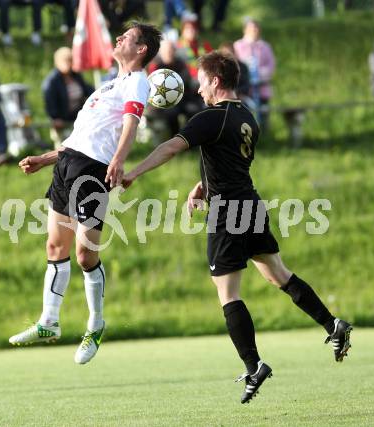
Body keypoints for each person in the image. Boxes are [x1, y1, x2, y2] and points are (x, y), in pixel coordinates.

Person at [122, 51, 353, 404]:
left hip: (228, 211)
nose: (198, 89)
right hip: (250, 202)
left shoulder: (210, 117)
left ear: (215, 80)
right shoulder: (248, 116)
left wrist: (134, 173)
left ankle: (253, 364)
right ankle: (332, 325)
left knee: (228, 293)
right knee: (279, 274)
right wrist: (203, 184)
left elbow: (170, 147)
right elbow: (228, 158)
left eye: (201, 81)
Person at [8, 22, 162, 365]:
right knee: (54, 246)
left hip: (94, 170)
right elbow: (78, 139)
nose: (119, 38)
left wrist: (119, 161)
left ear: (140, 50)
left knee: (83, 254)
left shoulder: (138, 80)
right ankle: (49, 321)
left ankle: (95, 324)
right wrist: (44, 159)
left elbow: (132, 121)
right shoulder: (107, 85)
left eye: (127, 37)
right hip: (67, 165)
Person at [147, 39, 203, 138]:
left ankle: (190, 138)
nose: (169, 53)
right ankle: (176, 138)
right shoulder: (156, 67)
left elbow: (187, 81)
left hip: (183, 97)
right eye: (166, 51)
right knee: (172, 113)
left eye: (171, 50)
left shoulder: (181, 63)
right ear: (161, 52)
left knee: (193, 110)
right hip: (165, 102)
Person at [42, 47, 93, 148]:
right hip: (61, 119)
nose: (69, 64)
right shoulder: (52, 81)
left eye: (71, 60)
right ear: (58, 62)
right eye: (66, 61)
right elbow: (49, 101)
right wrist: (55, 117)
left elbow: (88, 90)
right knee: (62, 148)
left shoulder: (76, 76)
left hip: (77, 117)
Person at [233, 18, 275, 128]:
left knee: (263, 112)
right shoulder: (238, 46)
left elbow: (271, 65)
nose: (254, 31)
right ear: (245, 30)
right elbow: (235, 64)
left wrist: (259, 74)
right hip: (244, 89)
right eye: (251, 28)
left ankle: (264, 137)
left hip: (261, 87)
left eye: (256, 28)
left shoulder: (265, 46)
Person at [176, 13, 212, 79]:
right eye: (187, 28)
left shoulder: (204, 45)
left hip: (203, 76)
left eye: (193, 28)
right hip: (185, 78)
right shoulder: (178, 46)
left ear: (197, 31)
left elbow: (211, 62)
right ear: (182, 31)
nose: (191, 31)